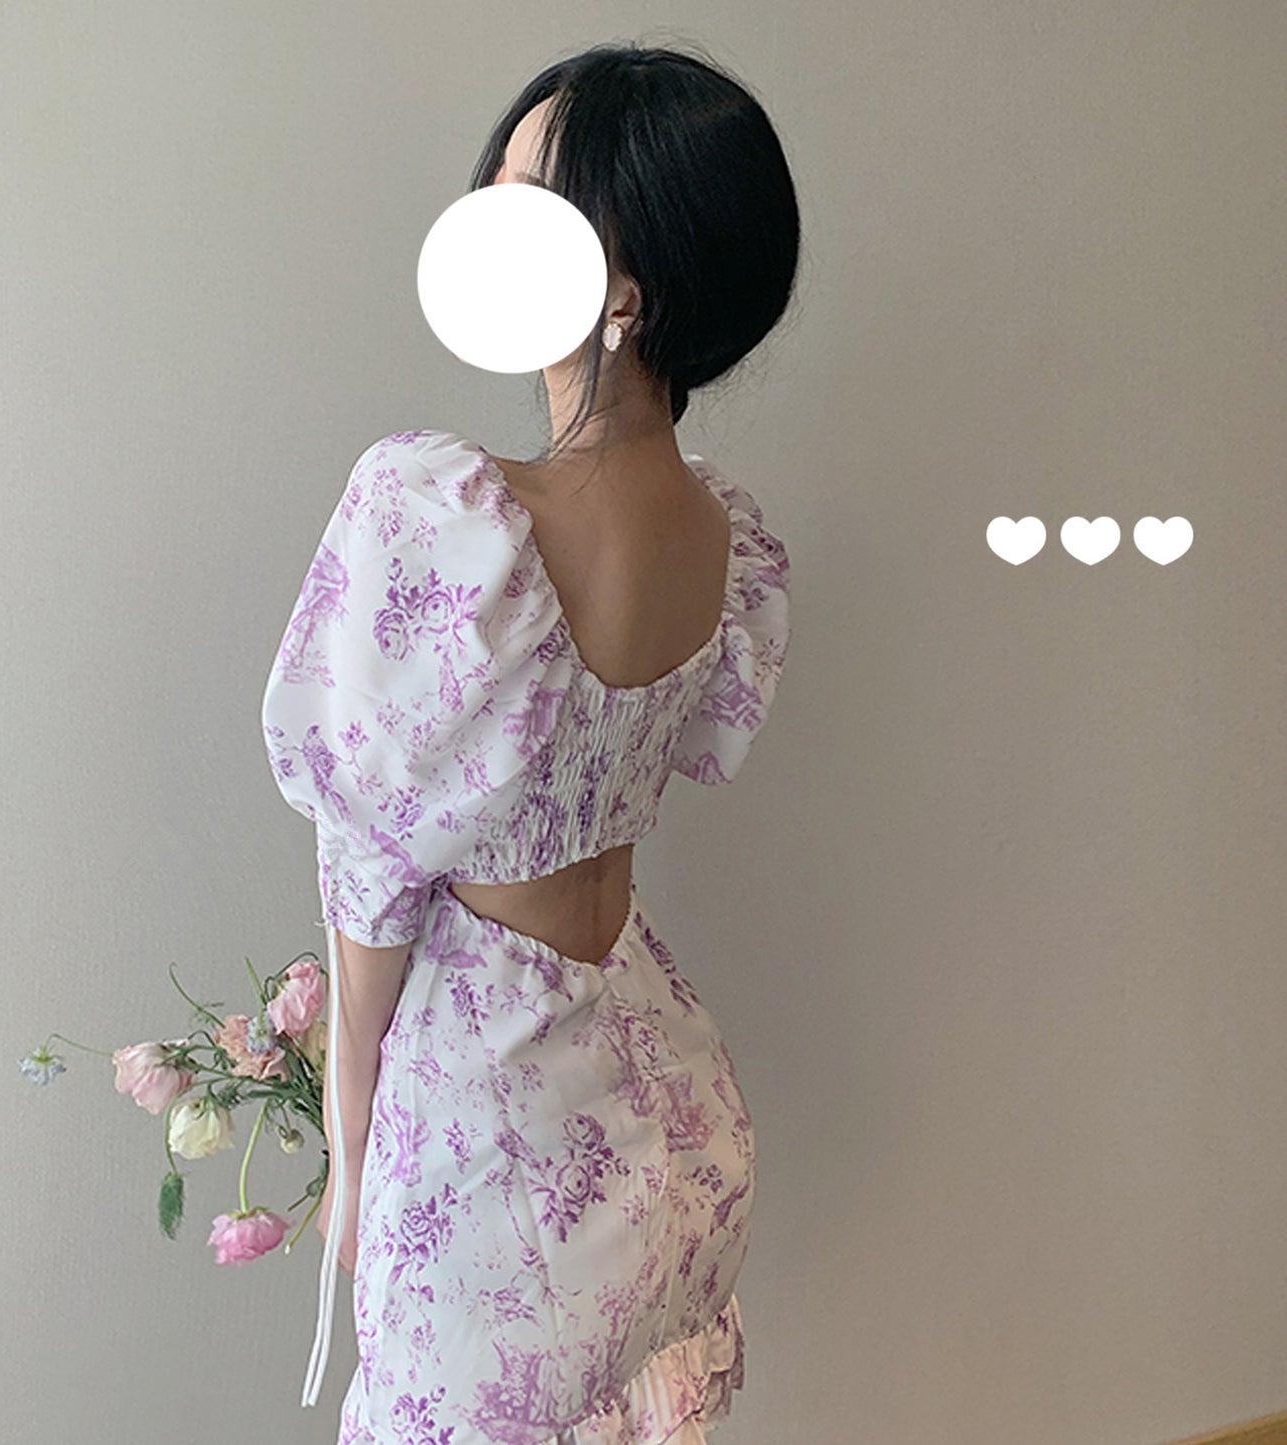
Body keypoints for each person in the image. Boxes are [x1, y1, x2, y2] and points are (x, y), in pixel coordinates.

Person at [261, 39, 800, 1445]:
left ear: (624, 286)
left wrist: (353, 1156)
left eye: (528, 198)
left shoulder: (437, 515)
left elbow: (371, 881)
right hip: (657, 1099)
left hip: (494, 1132)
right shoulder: (720, 537)